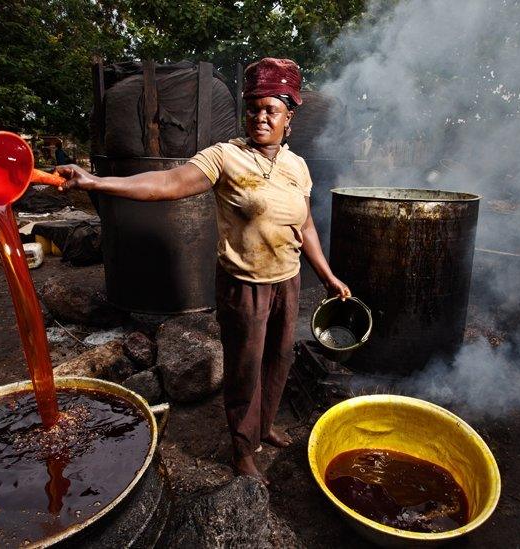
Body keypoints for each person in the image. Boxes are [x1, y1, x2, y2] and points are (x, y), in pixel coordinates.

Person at [56, 58, 351, 483]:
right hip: (244, 284)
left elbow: (303, 225)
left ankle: (265, 425)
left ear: (290, 116)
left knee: (279, 359)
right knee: (245, 367)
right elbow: (166, 184)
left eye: (271, 109)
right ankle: (242, 448)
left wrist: (326, 275)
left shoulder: (296, 166)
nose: (260, 117)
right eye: (253, 108)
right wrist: (96, 182)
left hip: (288, 279)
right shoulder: (225, 156)